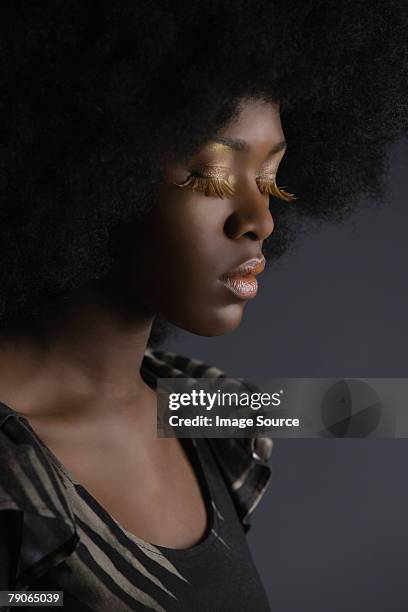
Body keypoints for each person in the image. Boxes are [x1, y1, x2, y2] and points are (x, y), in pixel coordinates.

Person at [0, 2, 407, 610]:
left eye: (270, 178)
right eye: (211, 176)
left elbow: (361, 407)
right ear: (91, 163)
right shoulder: (16, 484)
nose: (261, 219)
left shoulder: (194, 405)